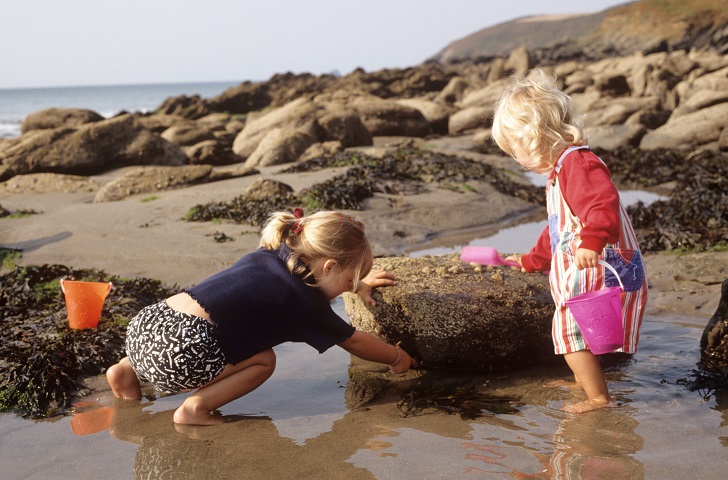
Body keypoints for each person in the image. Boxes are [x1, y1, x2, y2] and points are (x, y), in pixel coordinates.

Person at [106, 209, 416, 425]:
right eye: (349, 280)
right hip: (182, 353)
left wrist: (357, 282)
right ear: (330, 267)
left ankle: (125, 371)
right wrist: (397, 358)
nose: (347, 290)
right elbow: (355, 340)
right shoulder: (306, 303)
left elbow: (317, 280)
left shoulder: (268, 254)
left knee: (203, 330)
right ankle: (195, 410)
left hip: (146, 326)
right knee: (264, 360)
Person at [491, 70, 648, 413]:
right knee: (579, 333)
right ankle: (586, 381)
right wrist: (533, 259)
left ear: (536, 135)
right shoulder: (561, 172)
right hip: (595, 264)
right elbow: (557, 229)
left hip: (597, 264)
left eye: (516, 149)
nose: (516, 159)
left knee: (569, 334)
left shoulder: (578, 163)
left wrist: (591, 240)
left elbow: (601, 203)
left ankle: (598, 398)